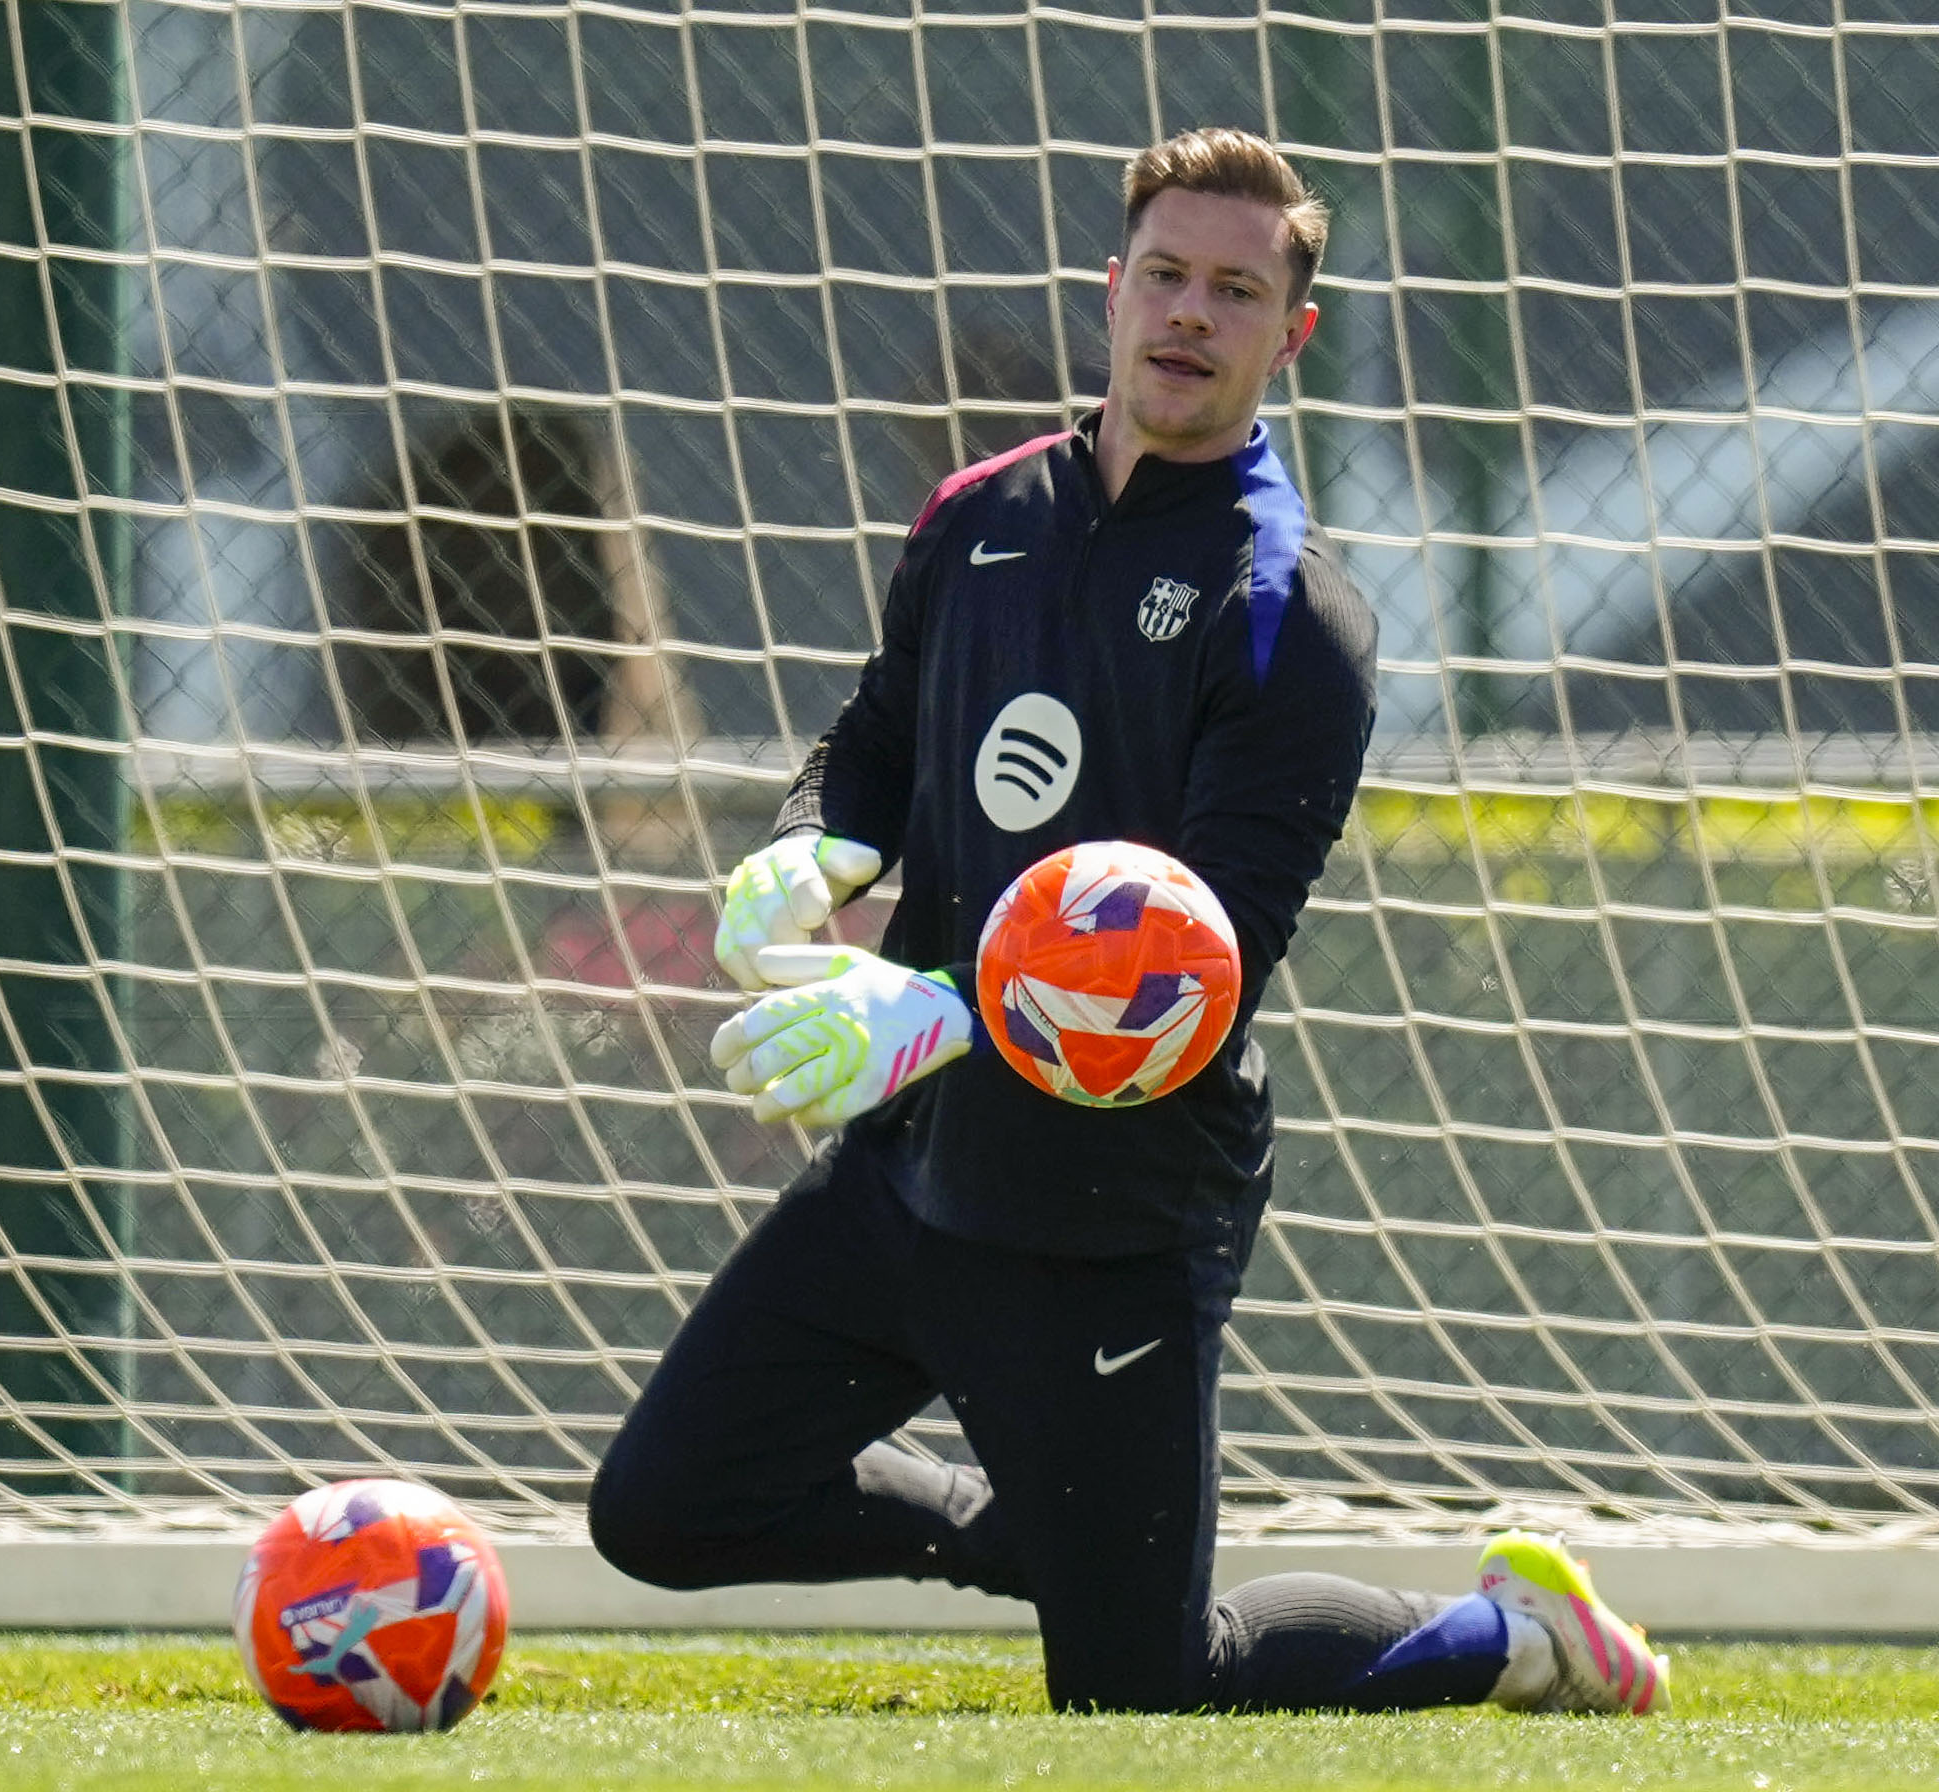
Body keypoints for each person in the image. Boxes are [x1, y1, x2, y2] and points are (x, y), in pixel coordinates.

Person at [588, 126, 1668, 1718]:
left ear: (1290, 337)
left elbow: (1211, 958)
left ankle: (1514, 1637)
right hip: (911, 1164)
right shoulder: (977, 512)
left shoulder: (1292, 614)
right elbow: (881, 736)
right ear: (1113, 287)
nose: (1188, 311)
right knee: (662, 1512)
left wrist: (938, 1005)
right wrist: (813, 848)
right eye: (1164, 273)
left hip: (1112, 1215)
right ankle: (1036, 1533)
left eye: (1236, 290)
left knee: (1141, 1696)